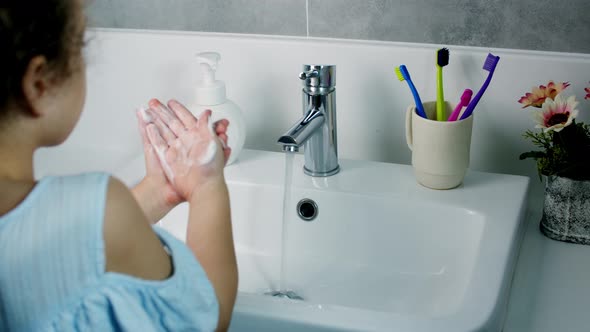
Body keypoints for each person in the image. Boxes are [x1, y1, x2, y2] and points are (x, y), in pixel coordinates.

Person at [0, 0, 238, 331]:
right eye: (80, 42)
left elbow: (60, 253)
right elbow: (206, 316)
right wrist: (207, 187)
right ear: (39, 82)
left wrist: (158, 192)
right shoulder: (98, 205)